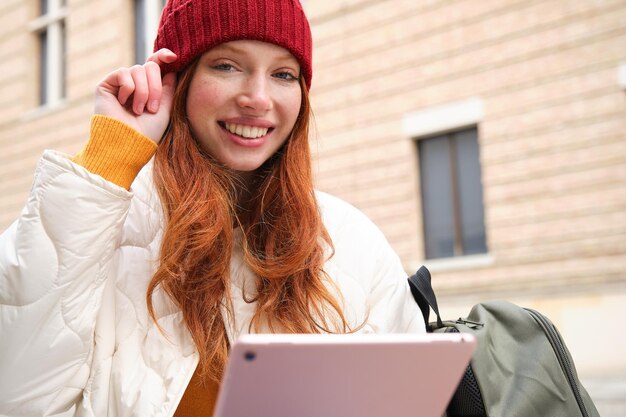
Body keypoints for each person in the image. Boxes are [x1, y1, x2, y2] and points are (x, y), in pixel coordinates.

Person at [0, 0, 425, 416]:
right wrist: (109, 159)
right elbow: (18, 395)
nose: (258, 98)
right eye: (227, 66)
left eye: (283, 74)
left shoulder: (354, 241)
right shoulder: (99, 217)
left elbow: (414, 400)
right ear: (176, 80)